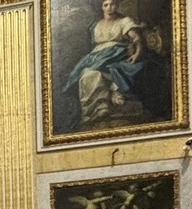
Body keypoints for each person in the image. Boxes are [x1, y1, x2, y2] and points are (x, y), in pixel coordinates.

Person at [61, 0, 166, 130]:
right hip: (96, 56)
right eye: (106, 5)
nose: (110, 8)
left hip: (116, 53)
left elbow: (136, 38)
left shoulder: (124, 21)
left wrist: (137, 54)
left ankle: (112, 93)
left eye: (113, 4)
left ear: (117, 6)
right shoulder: (95, 25)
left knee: (101, 70)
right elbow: (93, 46)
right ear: (102, 7)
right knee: (88, 74)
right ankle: (97, 109)